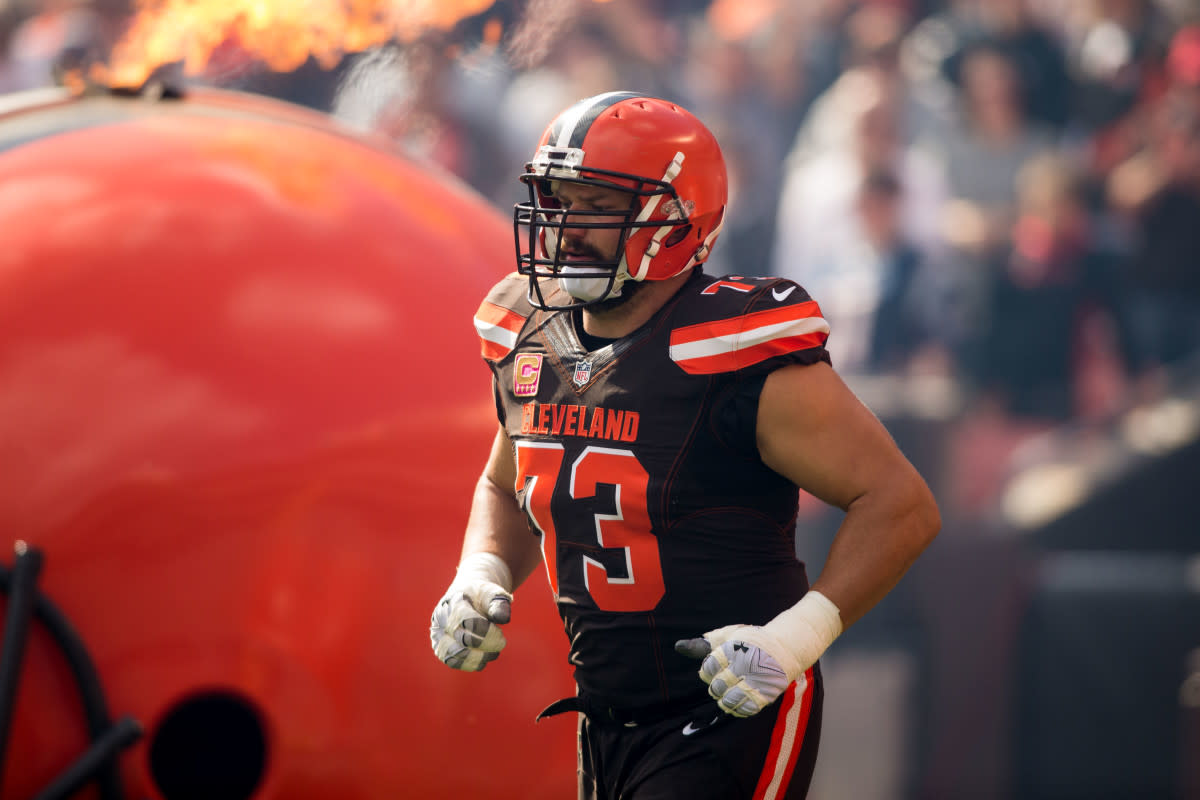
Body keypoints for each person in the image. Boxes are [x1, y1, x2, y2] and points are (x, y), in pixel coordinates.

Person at [429, 91, 941, 799]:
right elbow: (507, 480)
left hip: (733, 706)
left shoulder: (729, 347)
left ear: (669, 218)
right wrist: (478, 571)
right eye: (556, 198)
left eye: (592, 204)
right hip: (604, 714)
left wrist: (793, 641)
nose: (563, 226)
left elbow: (900, 504)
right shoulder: (528, 329)